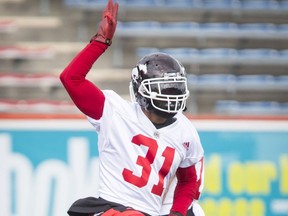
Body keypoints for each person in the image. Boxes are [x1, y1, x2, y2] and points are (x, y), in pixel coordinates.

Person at [60, 0, 204, 215]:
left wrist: (178, 212)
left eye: (174, 89)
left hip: (149, 211)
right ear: (141, 90)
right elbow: (71, 79)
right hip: (113, 207)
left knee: (196, 211)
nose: (171, 96)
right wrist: (100, 42)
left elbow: (189, 182)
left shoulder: (186, 131)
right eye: (163, 89)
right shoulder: (114, 111)